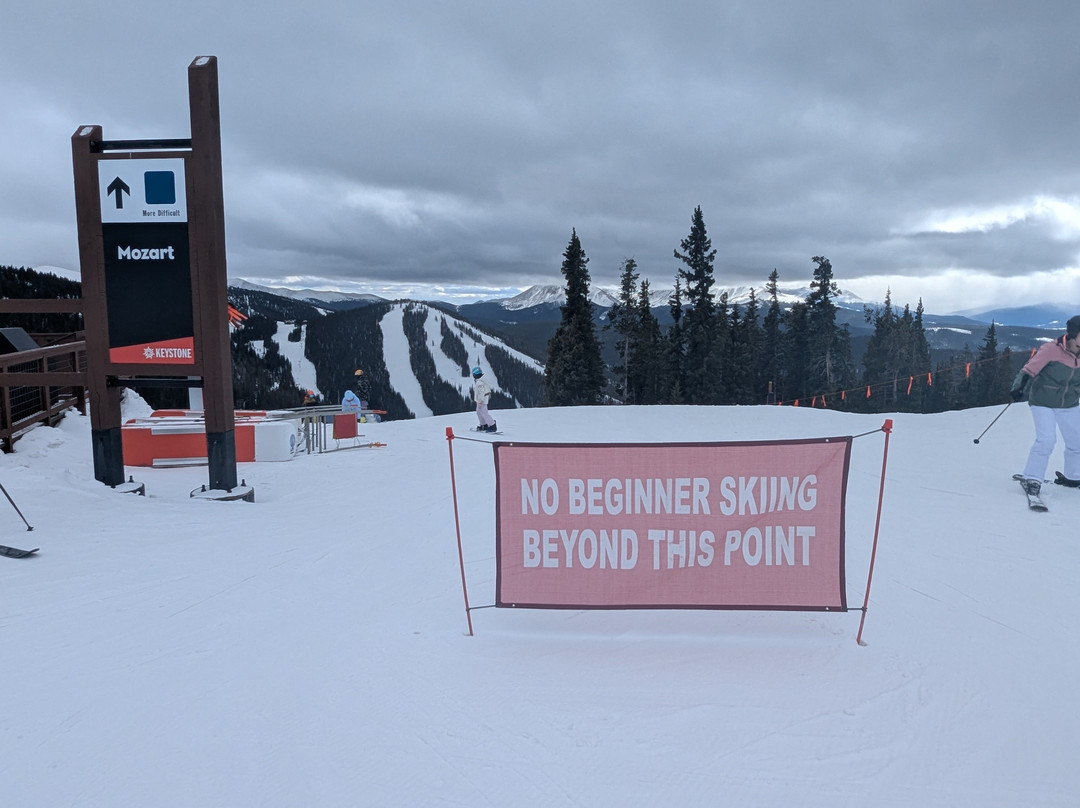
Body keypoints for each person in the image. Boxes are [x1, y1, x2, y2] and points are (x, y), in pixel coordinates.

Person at [1011, 314, 1080, 495]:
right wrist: (1018, 387)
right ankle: (1032, 478)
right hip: (1043, 402)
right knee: (1047, 440)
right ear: (1073, 334)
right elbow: (1029, 370)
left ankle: (1074, 477)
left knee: (1077, 441)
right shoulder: (1051, 350)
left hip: (1070, 402)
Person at [472, 366, 497, 432]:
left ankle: (492, 425)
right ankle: (484, 425)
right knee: (479, 412)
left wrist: (480, 401)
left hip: (482, 400)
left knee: (484, 412)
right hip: (482, 399)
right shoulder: (481, 380)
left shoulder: (479, 382)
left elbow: (481, 392)